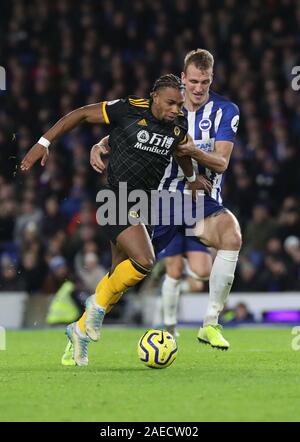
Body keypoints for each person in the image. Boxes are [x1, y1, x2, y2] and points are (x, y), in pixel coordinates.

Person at [21, 74, 212, 366]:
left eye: (180, 103)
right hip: (116, 197)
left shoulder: (177, 125)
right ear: (154, 97)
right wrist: (44, 142)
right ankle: (92, 312)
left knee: (117, 281)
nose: (176, 109)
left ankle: (79, 332)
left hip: (144, 205)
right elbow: (81, 113)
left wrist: (191, 178)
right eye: (171, 103)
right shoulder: (129, 108)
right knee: (145, 262)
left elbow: (183, 151)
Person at [92, 49, 241, 350]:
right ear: (183, 79)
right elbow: (131, 129)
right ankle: (87, 322)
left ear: (212, 81)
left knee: (231, 235)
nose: (199, 89)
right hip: (156, 200)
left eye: (206, 82)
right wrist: (100, 143)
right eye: (194, 81)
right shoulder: (166, 105)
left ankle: (210, 323)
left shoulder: (226, 111)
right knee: (126, 273)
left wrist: (193, 152)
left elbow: (222, 162)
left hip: (198, 199)